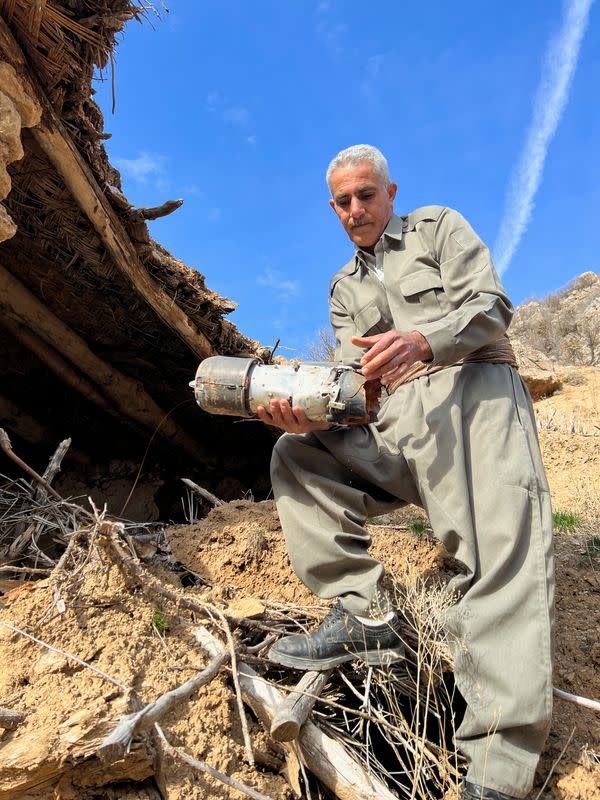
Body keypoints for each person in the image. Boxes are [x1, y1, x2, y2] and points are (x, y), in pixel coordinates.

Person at [256, 144, 554, 800]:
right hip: (396, 434)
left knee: (500, 564)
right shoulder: (341, 288)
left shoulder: (436, 228)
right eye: (342, 201)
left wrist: (423, 339)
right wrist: (314, 417)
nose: (355, 209)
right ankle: (366, 613)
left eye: (366, 194)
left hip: (472, 399)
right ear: (332, 209)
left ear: (390, 193)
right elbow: (352, 389)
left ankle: (497, 775)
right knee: (298, 457)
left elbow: (491, 305)